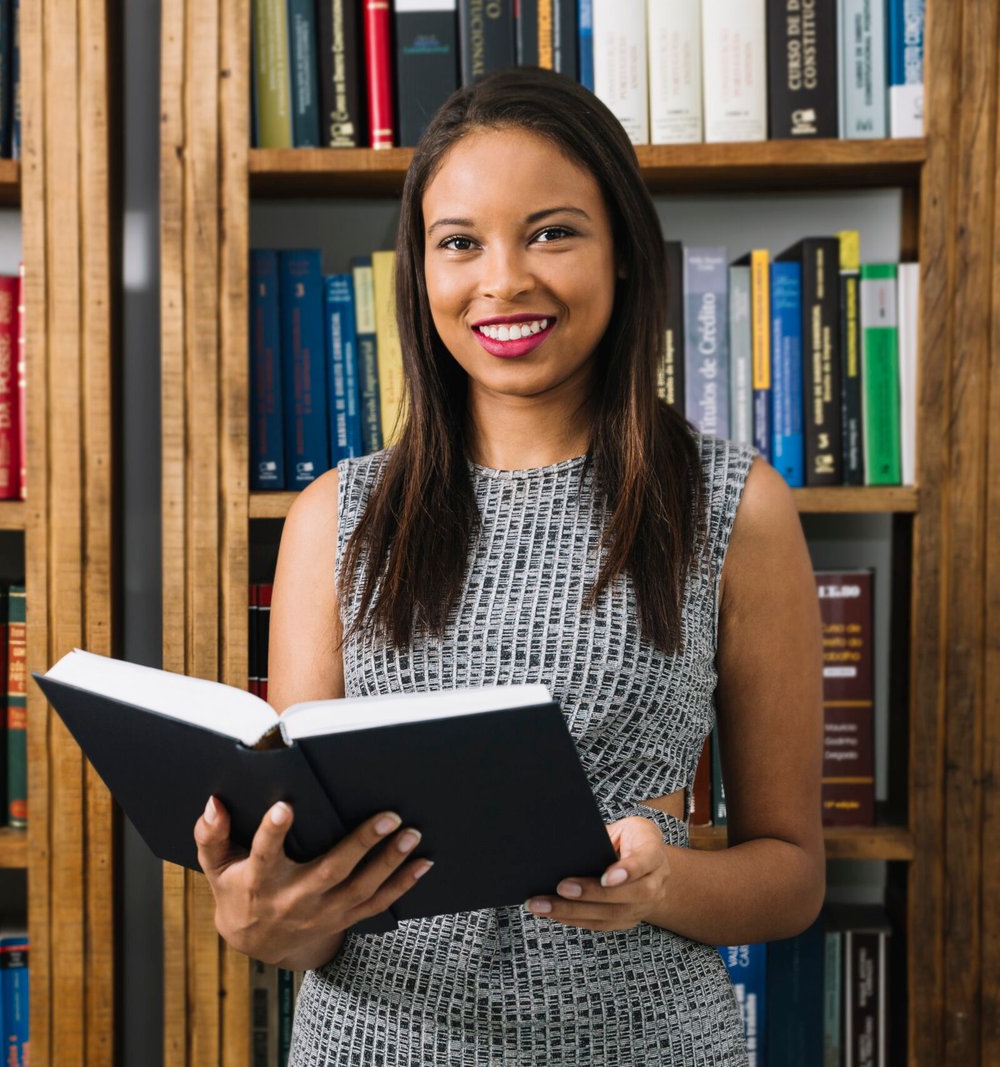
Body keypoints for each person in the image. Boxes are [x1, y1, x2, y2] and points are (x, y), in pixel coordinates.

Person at [191, 69, 826, 1064]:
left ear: (621, 252)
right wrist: (258, 916)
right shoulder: (333, 517)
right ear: (419, 270)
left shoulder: (731, 504)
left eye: (551, 232)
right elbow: (311, 921)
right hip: (371, 1042)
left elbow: (791, 877)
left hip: (648, 1043)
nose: (502, 281)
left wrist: (664, 883)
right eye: (459, 242)